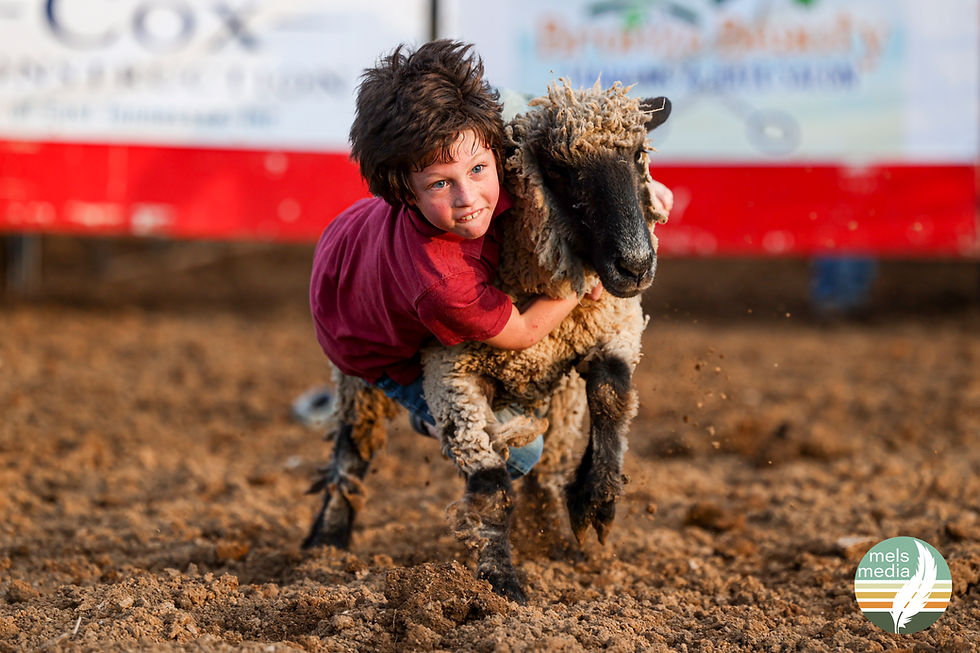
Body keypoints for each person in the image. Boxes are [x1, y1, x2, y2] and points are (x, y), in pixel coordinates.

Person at [304, 39, 672, 479]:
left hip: (360, 234)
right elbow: (522, 332)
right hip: (361, 330)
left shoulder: (484, 145)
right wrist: (582, 278)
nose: (468, 197)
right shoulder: (444, 281)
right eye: (440, 184)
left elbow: (572, 137)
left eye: (479, 169)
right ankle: (426, 416)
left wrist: (645, 192)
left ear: (492, 146)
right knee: (519, 453)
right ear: (406, 190)